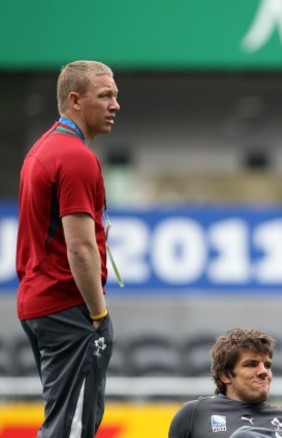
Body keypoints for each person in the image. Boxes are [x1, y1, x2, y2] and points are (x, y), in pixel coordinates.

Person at [16, 60, 120, 437]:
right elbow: (80, 248)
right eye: (105, 95)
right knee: (72, 427)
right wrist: (98, 313)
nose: (115, 105)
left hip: (40, 302)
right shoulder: (75, 157)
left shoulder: (43, 148)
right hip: (67, 306)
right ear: (75, 100)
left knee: (65, 421)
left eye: (116, 96)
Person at [169, 327, 282, 438]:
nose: (264, 371)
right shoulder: (194, 414)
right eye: (251, 364)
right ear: (225, 375)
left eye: (267, 365)